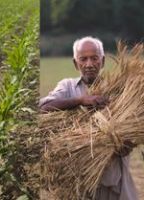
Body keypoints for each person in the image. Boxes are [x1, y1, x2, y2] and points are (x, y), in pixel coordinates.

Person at [39, 36, 137, 200]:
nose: (89, 64)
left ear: (103, 61)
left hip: (114, 179)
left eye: (94, 58)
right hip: (78, 180)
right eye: (83, 59)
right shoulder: (67, 86)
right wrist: (80, 100)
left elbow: (133, 127)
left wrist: (126, 143)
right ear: (75, 63)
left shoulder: (120, 90)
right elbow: (43, 107)